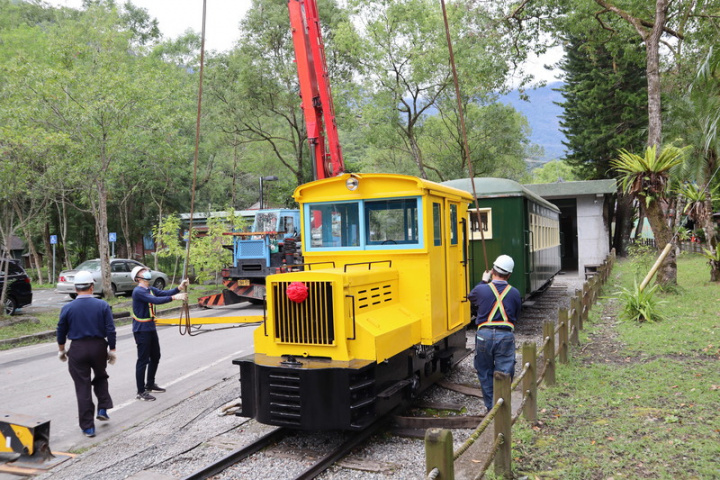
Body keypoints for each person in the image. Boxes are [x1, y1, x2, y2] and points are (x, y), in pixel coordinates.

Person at [56, 270, 117, 438]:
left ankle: (88, 427)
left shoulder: (68, 308)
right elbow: (110, 330)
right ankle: (103, 407)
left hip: (77, 349)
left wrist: (61, 349)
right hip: (98, 347)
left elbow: (61, 330)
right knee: (101, 376)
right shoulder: (102, 305)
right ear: (92, 287)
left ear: (76, 289)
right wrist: (112, 350)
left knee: (82, 387)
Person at [468, 254, 522, 412]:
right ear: (509, 274)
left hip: (484, 335)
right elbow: (516, 315)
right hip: (505, 335)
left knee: (484, 372)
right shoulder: (514, 293)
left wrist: (484, 280)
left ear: (492, 271)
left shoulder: (481, 289)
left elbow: (472, 298)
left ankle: (490, 407)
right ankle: (502, 407)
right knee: (505, 372)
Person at [130, 265, 188, 401]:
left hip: (150, 327)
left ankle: (150, 384)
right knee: (143, 360)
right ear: (138, 278)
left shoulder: (149, 289)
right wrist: (175, 298)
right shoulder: (138, 291)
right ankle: (140, 391)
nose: (146, 272)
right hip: (141, 329)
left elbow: (163, 294)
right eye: (142, 272)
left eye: (145, 270)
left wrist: (179, 288)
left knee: (155, 356)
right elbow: (155, 300)